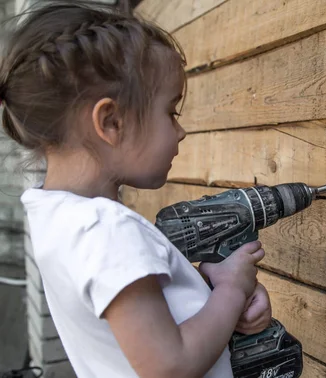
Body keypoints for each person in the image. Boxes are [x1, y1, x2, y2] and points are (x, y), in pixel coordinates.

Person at [0, 2, 272, 377]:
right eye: (170, 111)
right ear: (111, 122)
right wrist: (232, 290)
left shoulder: (56, 215)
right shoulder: (104, 229)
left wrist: (209, 291)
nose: (180, 131)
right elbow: (170, 366)